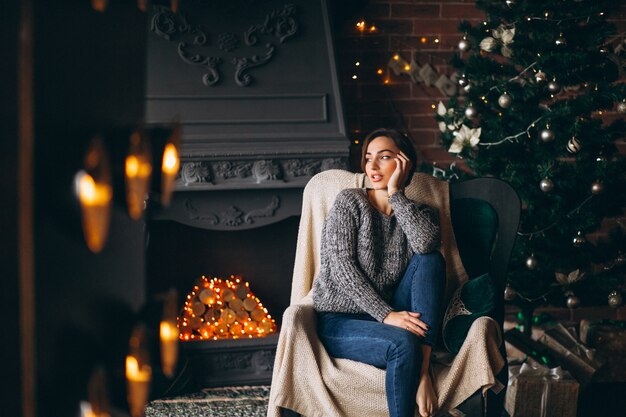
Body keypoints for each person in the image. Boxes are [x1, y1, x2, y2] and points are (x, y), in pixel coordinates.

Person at [311, 128, 445, 417]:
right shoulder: (350, 202)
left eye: (383, 158)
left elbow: (425, 245)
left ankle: (422, 370)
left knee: (431, 259)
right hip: (340, 320)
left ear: (403, 162)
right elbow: (343, 269)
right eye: (368, 158)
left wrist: (396, 193)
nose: (371, 166)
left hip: (390, 311)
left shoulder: (420, 213)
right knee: (402, 342)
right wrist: (387, 316)